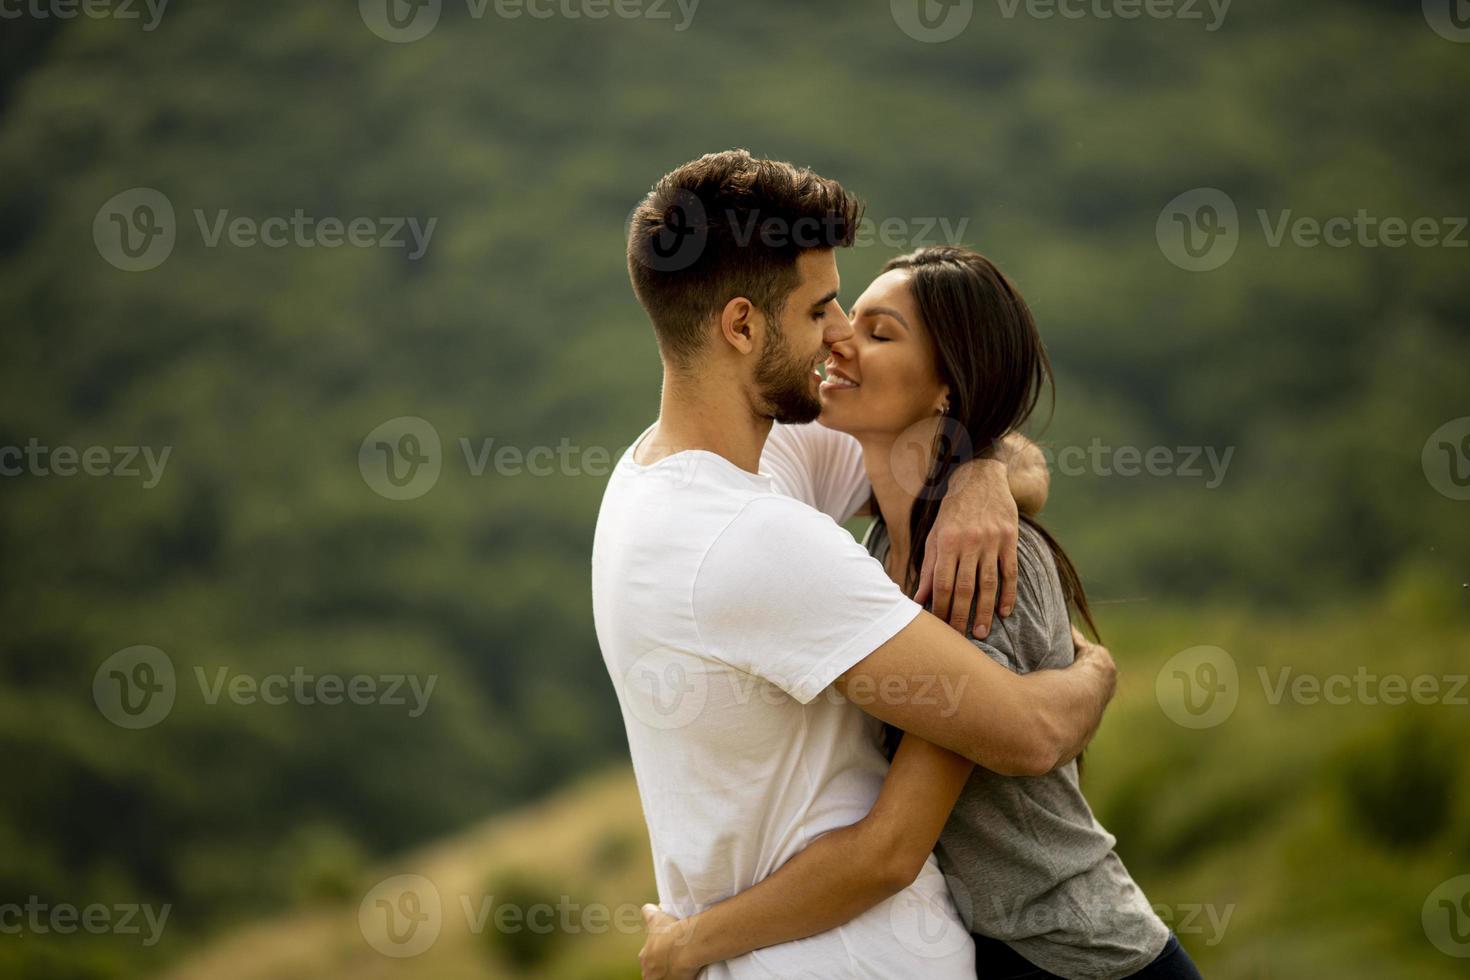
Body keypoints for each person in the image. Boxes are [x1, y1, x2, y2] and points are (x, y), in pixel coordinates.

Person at [592, 149, 1116, 979]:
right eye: (822, 309)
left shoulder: (659, 477)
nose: (839, 338)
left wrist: (981, 474)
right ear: (741, 325)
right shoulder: (754, 541)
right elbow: (1028, 732)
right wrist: (1097, 667)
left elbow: (957, 441)